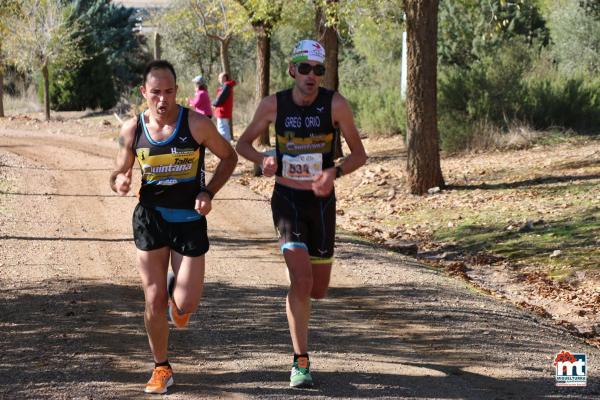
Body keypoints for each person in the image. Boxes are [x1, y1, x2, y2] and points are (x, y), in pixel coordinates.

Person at [236, 39, 367, 388]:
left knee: (318, 290)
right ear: (292, 69)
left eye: (318, 70)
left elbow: (360, 155)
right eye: (305, 68)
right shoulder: (272, 105)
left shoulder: (336, 105)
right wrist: (263, 159)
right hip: (287, 200)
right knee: (302, 280)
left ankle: (302, 325)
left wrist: (334, 173)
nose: (311, 76)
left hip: (322, 203)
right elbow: (243, 144)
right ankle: (301, 362)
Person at [110, 60, 237, 394]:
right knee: (153, 298)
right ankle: (161, 367)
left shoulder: (196, 124)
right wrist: (120, 181)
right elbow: (117, 172)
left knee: (186, 304)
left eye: (168, 92)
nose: (162, 100)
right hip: (150, 218)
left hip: (188, 220)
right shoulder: (132, 130)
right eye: (155, 93)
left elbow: (230, 157)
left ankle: (176, 295)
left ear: (177, 91)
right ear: (144, 93)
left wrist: (208, 191)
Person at [212, 72, 236, 142]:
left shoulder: (226, 86)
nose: (218, 79)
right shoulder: (227, 86)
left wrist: (213, 103)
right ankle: (226, 146)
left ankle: (225, 147)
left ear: (225, 78)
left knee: (222, 130)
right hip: (223, 111)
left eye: (220, 77)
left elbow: (220, 99)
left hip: (222, 112)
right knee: (225, 129)